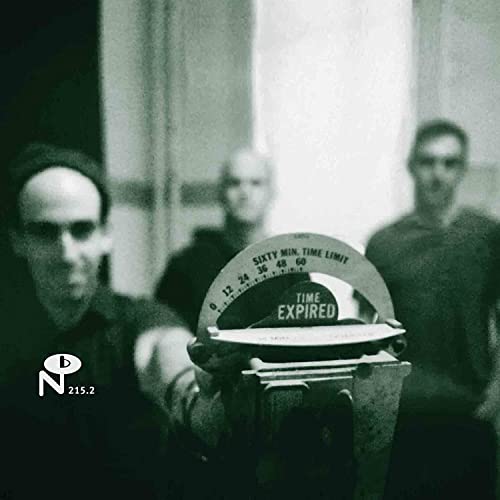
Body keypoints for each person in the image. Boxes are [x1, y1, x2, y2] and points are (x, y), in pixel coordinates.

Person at [1, 143, 232, 500]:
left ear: (106, 235)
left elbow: (162, 348)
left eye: (82, 229)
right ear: (18, 239)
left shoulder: (139, 321)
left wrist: (194, 393)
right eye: (45, 232)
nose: (66, 253)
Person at [361, 120, 499, 498]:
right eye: (427, 162)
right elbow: (366, 331)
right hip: (402, 418)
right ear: (411, 166)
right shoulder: (383, 243)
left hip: (469, 411)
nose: (438, 174)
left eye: (449, 163)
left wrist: (498, 391)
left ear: (463, 169)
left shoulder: (488, 236)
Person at [155, 148, 306, 333]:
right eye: (235, 183)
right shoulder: (186, 266)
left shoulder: (291, 268)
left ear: (271, 193)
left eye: (256, 183)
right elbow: (164, 331)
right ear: (220, 193)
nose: (245, 193)